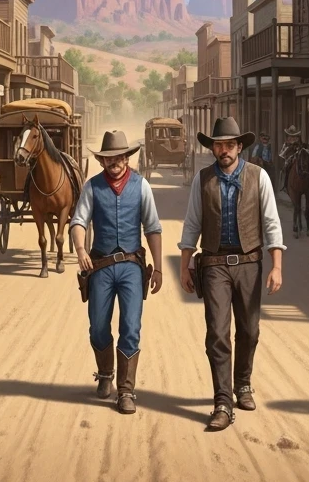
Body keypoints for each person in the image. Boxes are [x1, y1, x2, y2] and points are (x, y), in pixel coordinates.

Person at [179, 117, 284, 432]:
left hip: (250, 263)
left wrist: (277, 265)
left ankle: (243, 384)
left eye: (229, 145)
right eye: (218, 145)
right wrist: (185, 265)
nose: (223, 150)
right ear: (213, 147)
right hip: (213, 265)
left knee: (249, 330)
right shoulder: (202, 179)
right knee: (217, 334)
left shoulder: (258, 177)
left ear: (240, 147)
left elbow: (272, 222)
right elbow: (192, 223)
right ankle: (222, 401)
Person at [71, 131, 163, 415]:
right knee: (98, 326)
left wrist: (158, 267)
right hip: (99, 266)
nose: (116, 162)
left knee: (131, 327)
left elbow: (153, 228)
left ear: (127, 157)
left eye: (121, 156)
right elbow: (78, 221)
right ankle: (106, 374)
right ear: (102, 160)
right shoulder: (92, 187)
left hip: (132, 266)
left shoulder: (141, 186)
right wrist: (81, 250)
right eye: (110, 158)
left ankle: (126, 390)